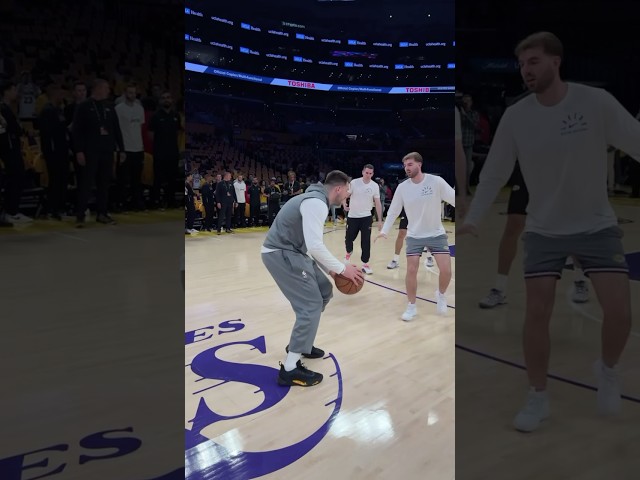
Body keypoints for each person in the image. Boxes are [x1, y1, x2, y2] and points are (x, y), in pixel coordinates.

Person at [458, 31, 639, 432]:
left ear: (557, 62)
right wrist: (474, 216)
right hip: (544, 231)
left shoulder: (595, 103)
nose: (527, 70)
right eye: (523, 64)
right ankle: (538, 396)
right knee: (537, 312)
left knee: (620, 312)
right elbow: (495, 172)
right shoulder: (518, 116)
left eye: (534, 61)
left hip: (597, 226)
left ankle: (607, 369)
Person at [261, 170, 363, 386]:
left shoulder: (315, 199)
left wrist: (333, 271)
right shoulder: (316, 203)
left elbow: (310, 247)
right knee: (311, 305)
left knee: (325, 291)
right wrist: (343, 269)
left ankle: (301, 343)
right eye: (347, 191)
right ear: (339, 188)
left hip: (294, 253)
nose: (347, 195)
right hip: (280, 253)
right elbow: (316, 246)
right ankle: (289, 369)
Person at [478, 161, 590, 308]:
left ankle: (580, 280)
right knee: (513, 224)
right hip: (527, 169)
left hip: (560, 170)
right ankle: (499, 289)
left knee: (569, 226)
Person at [376, 152, 455, 319]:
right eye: (405, 165)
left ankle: (440, 295)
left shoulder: (436, 182)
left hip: (436, 233)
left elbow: (454, 199)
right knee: (411, 270)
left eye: (410, 164)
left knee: (446, 271)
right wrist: (384, 231)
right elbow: (393, 211)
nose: (407, 168)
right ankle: (411, 306)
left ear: (419, 164)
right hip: (414, 235)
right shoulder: (403, 188)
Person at [343, 164, 383, 275]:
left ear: (373, 174)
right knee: (349, 238)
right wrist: (343, 204)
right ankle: (348, 253)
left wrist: (380, 219)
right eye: (367, 173)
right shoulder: (354, 183)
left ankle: (365, 263)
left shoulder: (374, 186)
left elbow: (378, 203)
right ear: (362, 172)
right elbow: (345, 195)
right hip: (352, 216)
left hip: (366, 217)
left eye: (370, 173)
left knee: (366, 241)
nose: (368, 175)